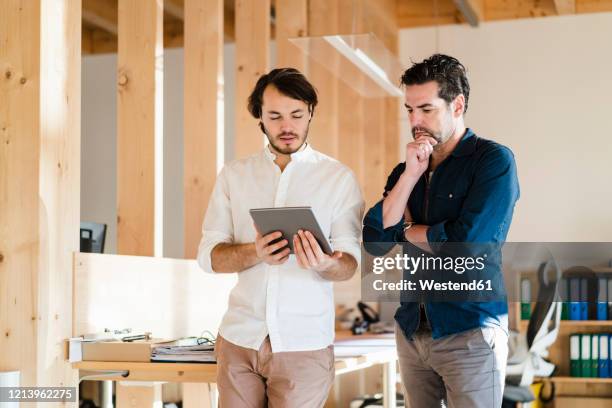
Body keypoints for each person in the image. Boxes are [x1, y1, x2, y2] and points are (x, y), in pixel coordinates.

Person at [197, 68, 364, 408]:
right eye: (274, 116)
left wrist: (324, 263)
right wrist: (255, 251)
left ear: (310, 113)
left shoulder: (338, 178)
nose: (287, 126)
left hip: (304, 345)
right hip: (239, 339)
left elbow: (349, 264)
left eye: (296, 115)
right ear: (259, 116)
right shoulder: (235, 175)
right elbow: (209, 257)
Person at [363, 54, 520, 408]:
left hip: (470, 330)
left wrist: (406, 231)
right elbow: (374, 242)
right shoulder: (405, 171)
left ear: (457, 105)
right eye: (409, 110)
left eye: (426, 109)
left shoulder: (493, 161)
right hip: (411, 331)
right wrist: (410, 177)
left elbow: (468, 247)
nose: (415, 121)